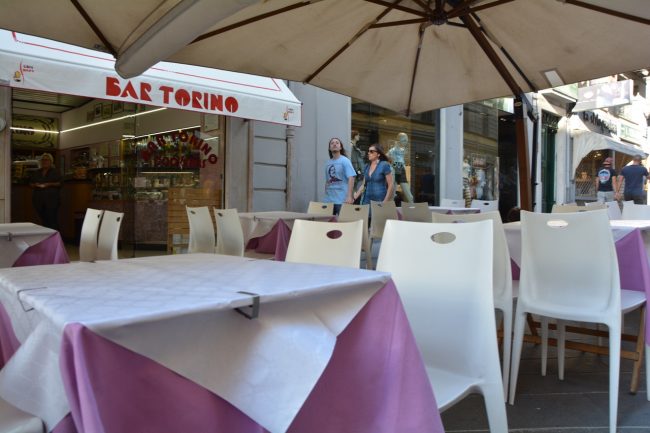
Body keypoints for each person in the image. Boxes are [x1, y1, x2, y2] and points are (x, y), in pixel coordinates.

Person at [30, 152, 62, 230]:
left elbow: (60, 183)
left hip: (51, 199)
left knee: (52, 219)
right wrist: (35, 185)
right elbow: (30, 183)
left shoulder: (55, 172)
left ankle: (55, 236)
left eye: (47, 160)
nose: (44, 161)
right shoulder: (37, 172)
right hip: (38, 199)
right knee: (44, 220)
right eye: (43, 160)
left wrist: (49, 184)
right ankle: (46, 236)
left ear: (51, 161)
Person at [324, 137, 356, 215]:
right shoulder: (327, 163)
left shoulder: (345, 161)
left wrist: (349, 196)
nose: (334, 144)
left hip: (342, 200)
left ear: (340, 147)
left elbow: (351, 178)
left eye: (337, 143)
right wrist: (326, 195)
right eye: (332, 143)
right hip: (328, 200)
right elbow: (327, 181)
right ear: (329, 148)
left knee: (342, 221)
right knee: (328, 221)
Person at [387, 132, 413, 203]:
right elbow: (387, 158)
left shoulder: (402, 151)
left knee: (409, 197)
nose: (406, 142)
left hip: (401, 170)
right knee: (392, 196)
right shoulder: (392, 151)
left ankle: (411, 209)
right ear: (399, 140)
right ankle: (389, 210)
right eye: (404, 140)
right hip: (394, 170)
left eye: (406, 141)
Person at [349, 130, 365, 202]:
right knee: (354, 191)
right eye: (358, 135)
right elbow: (352, 159)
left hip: (357, 171)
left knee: (357, 190)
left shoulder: (354, 147)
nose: (359, 137)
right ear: (354, 136)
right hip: (354, 171)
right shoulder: (351, 146)